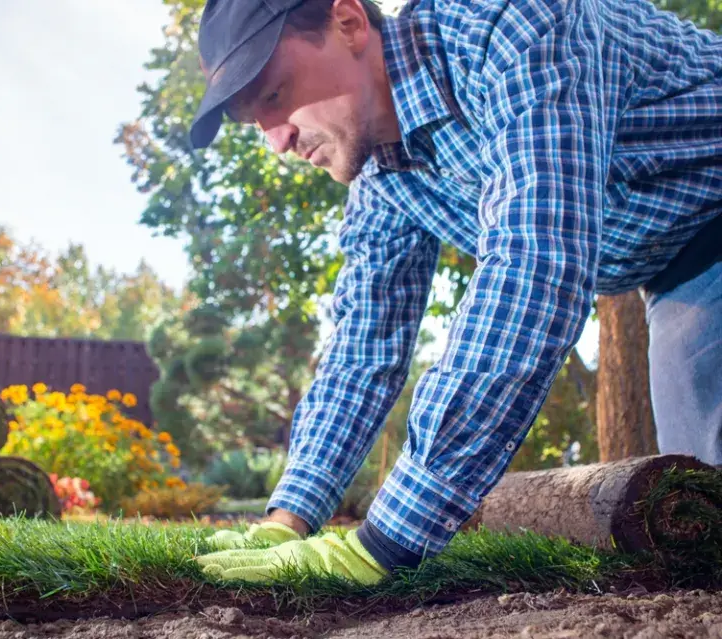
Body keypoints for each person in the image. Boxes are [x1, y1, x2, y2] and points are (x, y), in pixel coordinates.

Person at [189, 0, 722, 585]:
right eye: (255, 123)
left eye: (275, 96)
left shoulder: (509, 24)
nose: (276, 140)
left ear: (348, 22)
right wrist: (288, 519)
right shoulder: (382, 178)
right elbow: (363, 349)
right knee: (706, 519)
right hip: (678, 269)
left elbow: (535, 264)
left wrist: (386, 542)